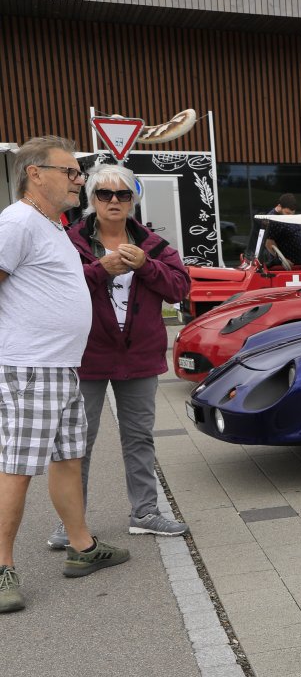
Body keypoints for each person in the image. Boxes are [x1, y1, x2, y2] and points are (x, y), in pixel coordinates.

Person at [0, 136, 131, 612]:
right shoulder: (17, 221)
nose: (79, 181)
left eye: (78, 173)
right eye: (70, 172)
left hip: (62, 365)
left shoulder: (51, 224)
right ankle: (1, 568)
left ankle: (82, 547)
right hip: (31, 366)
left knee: (68, 459)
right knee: (17, 468)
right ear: (35, 174)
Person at [51, 164, 192, 550]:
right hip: (86, 356)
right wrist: (100, 270)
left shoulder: (153, 245)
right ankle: (71, 524)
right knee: (77, 442)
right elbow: (54, 291)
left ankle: (144, 513)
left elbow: (180, 289)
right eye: (104, 194)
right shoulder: (69, 241)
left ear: (133, 200)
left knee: (139, 437)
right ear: (91, 198)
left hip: (139, 357)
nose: (114, 201)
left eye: (123, 194)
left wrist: (147, 266)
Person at [262, 193, 301, 268]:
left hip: (297, 264)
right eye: (287, 213)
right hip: (285, 266)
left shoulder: (285, 216)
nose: (290, 216)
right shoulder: (273, 219)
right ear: (279, 207)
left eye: (292, 214)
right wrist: (283, 260)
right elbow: (268, 243)